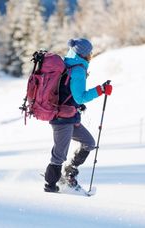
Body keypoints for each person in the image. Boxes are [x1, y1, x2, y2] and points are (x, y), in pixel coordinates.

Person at [44, 38, 112, 192]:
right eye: (90, 52)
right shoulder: (78, 70)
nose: (91, 55)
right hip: (62, 119)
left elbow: (67, 92)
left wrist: (77, 105)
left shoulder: (68, 64)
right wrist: (100, 90)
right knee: (59, 154)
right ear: (84, 54)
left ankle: (69, 172)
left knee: (89, 142)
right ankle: (50, 185)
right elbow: (80, 96)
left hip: (69, 116)